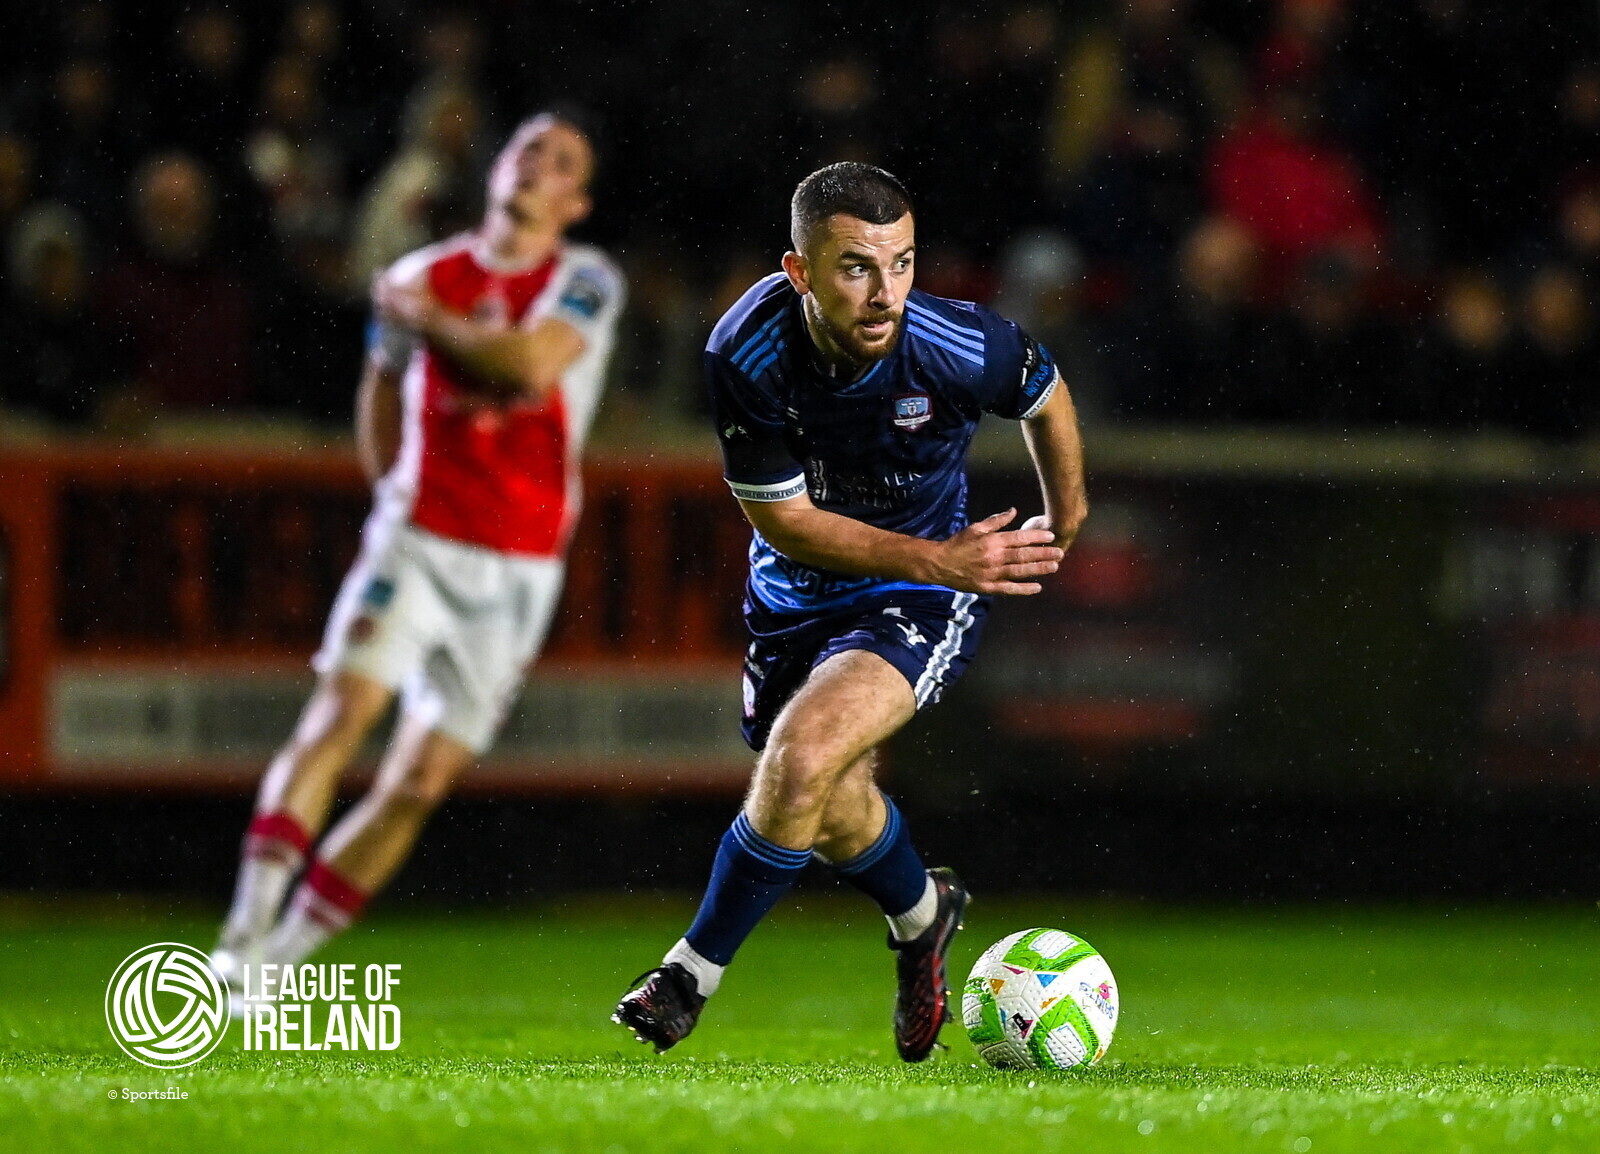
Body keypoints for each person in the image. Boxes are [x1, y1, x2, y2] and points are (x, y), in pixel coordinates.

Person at [614, 162, 1087, 1061]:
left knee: (802, 758)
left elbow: (1046, 392)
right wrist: (938, 554)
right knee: (826, 803)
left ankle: (688, 975)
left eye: (901, 263)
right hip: (796, 593)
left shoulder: (956, 342)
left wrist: (1067, 516)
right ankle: (924, 913)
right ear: (799, 272)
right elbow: (784, 521)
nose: (886, 293)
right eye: (856, 268)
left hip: (921, 593)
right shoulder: (744, 349)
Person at [211, 111, 623, 995]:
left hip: (521, 564)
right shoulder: (420, 274)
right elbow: (381, 391)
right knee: (338, 717)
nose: (538, 167)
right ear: (497, 169)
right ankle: (239, 945)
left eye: (562, 162)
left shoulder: (585, 279)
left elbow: (530, 367)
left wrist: (432, 322)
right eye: (527, 150)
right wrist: (392, 494)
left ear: (576, 202)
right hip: (421, 537)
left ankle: (275, 969)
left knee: (419, 782)